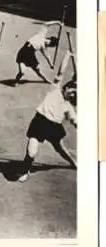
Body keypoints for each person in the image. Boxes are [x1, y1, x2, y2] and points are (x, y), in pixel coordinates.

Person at [17, 51, 77, 183]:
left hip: (54, 127)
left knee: (60, 149)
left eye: (75, 94)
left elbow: (76, 122)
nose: (72, 94)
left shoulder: (68, 108)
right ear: (66, 88)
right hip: (39, 123)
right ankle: (25, 171)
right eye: (71, 90)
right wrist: (67, 55)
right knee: (31, 153)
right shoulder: (55, 89)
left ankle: (73, 162)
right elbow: (61, 72)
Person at [13, 21, 61, 85]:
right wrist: (57, 22)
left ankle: (46, 80)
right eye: (50, 44)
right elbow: (46, 24)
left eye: (49, 46)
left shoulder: (43, 47)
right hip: (23, 52)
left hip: (31, 55)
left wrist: (51, 64)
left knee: (37, 70)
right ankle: (16, 81)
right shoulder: (41, 34)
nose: (48, 45)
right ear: (50, 40)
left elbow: (47, 56)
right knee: (22, 72)